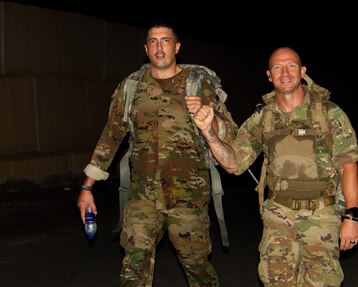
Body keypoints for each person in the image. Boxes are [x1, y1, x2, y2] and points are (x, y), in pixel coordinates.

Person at [77, 21, 238, 287]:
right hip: (143, 197)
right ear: (146, 49)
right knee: (134, 265)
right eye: (153, 41)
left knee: (197, 268)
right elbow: (110, 137)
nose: (159, 47)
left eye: (165, 40)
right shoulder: (132, 88)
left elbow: (231, 135)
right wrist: (87, 186)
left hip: (189, 198)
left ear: (177, 47)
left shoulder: (198, 87)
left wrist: (210, 121)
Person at [193, 47, 358, 286]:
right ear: (269, 75)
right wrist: (209, 133)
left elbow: (348, 166)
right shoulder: (263, 118)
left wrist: (351, 217)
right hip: (278, 220)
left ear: (302, 71)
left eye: (291, 66)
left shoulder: (329, 113)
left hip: (321, 218)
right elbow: (234, 164)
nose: (285, 72)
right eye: (277, 67)